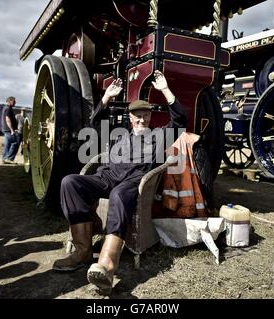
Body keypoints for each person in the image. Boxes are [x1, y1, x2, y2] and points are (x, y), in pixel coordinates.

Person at [53, 70, 187, 294]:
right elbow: (95, 123)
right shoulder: (118, 134)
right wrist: (106, 98)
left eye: (145, 115)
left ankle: (107, 264)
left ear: (150, 118)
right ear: (131, 118)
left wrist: (165, 89)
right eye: (137, 116)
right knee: (70, 182)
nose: (141, 119)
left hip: (135, 179)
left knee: (118, 195)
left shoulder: (159, 136)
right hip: (108, 175)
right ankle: (82, 251)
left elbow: (181, 119)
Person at [1, 96, 20, 164]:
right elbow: (7, 119)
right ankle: (9, 158)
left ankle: (5, 158)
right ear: (10, 101)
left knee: (7, 144)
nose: (15, 102)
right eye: (14, 101)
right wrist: (12, 130)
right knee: (15, 142)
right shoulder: (8, 109)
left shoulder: (6, 108)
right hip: (9, 130)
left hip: (6, 130)